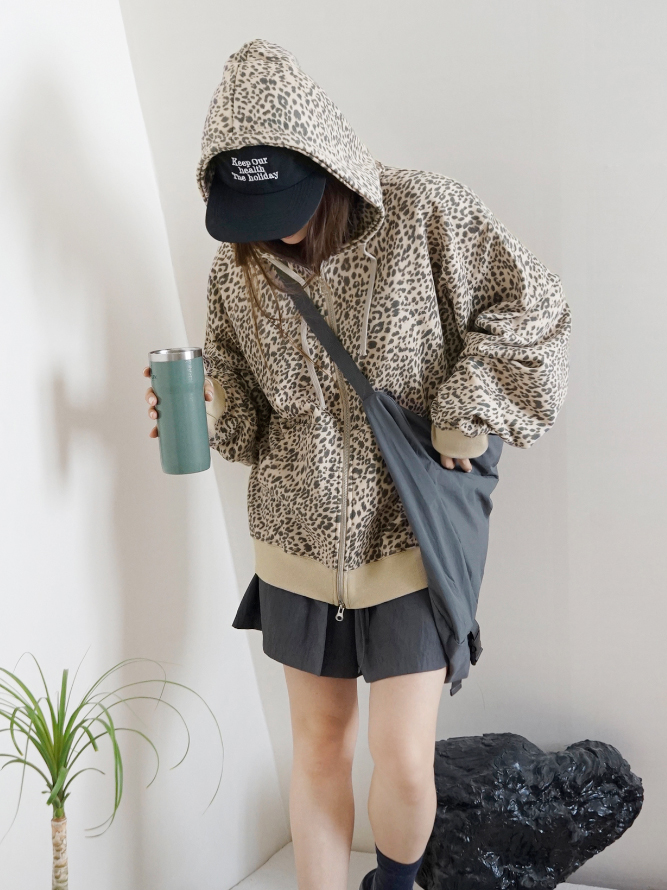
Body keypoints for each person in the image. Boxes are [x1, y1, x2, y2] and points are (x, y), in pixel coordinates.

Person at [143, 38, 570, 890]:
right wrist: (211, 407)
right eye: (252, 214)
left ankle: (396, 885)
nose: (277, 231)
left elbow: (535, 309)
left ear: (327, 160)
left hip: (406, 530)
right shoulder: (237, 267)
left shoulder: (426, 213)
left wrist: (466, 410)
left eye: (288, 204)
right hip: (294, 536)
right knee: (319, 747)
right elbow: (244, 406)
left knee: (402, 756)